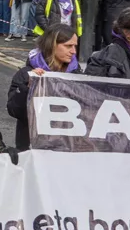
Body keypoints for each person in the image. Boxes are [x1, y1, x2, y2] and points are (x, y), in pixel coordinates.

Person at [6, 23, 81, 151]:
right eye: (68, 46)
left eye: (75, 46)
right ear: (52, 45)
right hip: (32, 147)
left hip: (66, 147)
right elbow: (14, 111)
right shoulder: (26, 74)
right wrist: (28, 88)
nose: (73, 51)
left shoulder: (77, 75)